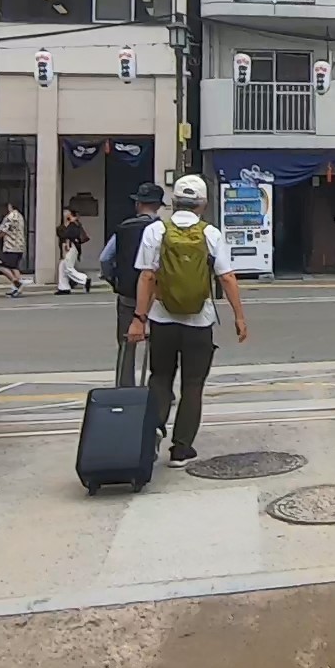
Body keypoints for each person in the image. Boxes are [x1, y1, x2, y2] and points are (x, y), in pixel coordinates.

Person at [129, 174, 247, 468]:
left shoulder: (156, 230)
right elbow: (227, 277)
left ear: (173, 201)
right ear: (202, 204)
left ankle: (153, 430)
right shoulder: (211, 234)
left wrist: (138, 319)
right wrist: (239, 316)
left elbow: (147, 276)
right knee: (193, 384)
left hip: (162, 318)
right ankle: (181, 449)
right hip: (199, 321)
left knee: (160, 377)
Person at [102, 182, 165, 387]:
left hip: (128, 293)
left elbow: (105, 258)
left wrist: (114, 280)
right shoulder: (164, 230)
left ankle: (124, 387)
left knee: (126, 344)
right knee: (159, 345)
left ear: (138, 204)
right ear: (158, 205)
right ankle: (159, 388)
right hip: (157, 296)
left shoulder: (123, 228)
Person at [55, 206, 91, 295]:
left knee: (68, 267)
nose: (65, 214)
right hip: (65, 248)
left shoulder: (74, 224)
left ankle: (84, 279)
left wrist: (72, 222)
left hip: (71, 247)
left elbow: (72, 235)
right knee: (62, 266)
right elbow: (61, 234)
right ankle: (63, 287)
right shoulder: (63, 226)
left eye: (67, 212)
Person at [0, 203, 27, 298]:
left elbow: (4, 230)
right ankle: (16, 289)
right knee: (14, 267)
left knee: (1, 265)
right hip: (20, 246)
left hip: (11, 246)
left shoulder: (11, 216)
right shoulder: (20, 216)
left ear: (10, 206)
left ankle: (16, 282)